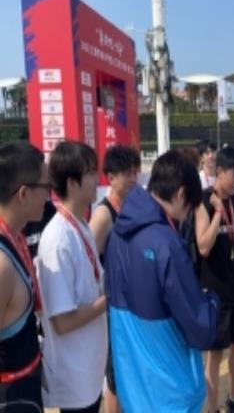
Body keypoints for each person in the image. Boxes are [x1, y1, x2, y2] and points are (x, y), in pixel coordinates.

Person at [104, 150, 219, 412]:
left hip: (133, 384)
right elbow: (200, 328)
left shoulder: (117, 233)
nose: (187, 215)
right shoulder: (167, 244)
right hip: (169, 387)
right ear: (180, 194)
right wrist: (211, 300)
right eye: (190, 206)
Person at [36, 141, 107, 413]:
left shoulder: (79, 224)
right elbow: (63, 322)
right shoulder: (58, 239)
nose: (97, 179)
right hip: (74, 375)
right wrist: (108, 299)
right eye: (90, 173)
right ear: (72, 183)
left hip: (88, 369)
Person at [195, 146, 234, 413]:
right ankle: (212, 408)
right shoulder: (203, 201)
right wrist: (218, 212)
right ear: (219, 172)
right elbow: (203, 246)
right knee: (215, 354)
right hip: (214, 292)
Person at [88, 144, 140, 413]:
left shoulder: (130, 208)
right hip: (112, 308)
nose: (133, 178)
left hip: (128, 305)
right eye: (126, 173)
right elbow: (87, 265)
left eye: (134, 172)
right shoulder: (103, 215)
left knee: (125, 369)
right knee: (115, 374)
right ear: (110, 177)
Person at [0, 142, 49, 412]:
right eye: (45, 187)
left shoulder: (15, 237)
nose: (49, 195)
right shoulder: (2, 265)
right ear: (23, 193)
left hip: (26, 389)